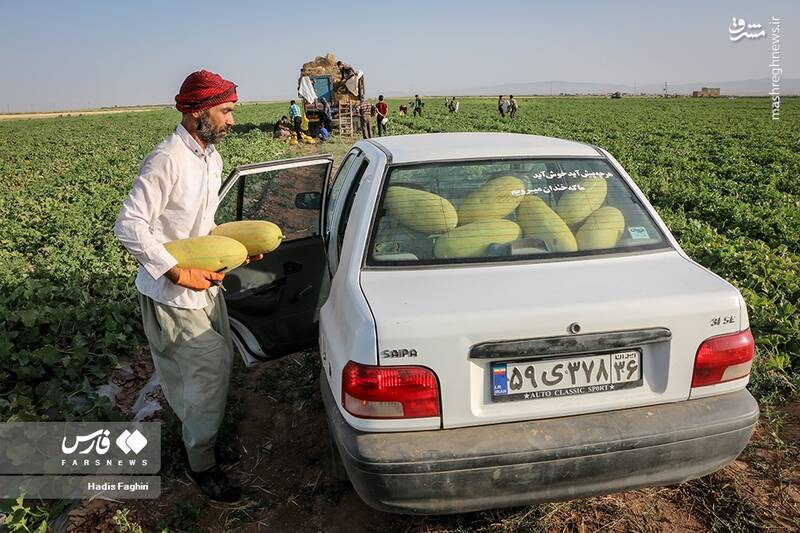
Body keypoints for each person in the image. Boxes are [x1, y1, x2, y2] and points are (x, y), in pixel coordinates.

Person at [114, 70, 261, 503]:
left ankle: (204, 441)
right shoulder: (167, 159)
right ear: (199, 112)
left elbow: (202, 229)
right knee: (205, 376)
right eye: (226, 111)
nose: (232, 120)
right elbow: (129, 225)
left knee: (215, 368)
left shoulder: (210, 159)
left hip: (206, 286)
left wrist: (238, 249)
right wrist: (177, 272)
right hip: (173, 295)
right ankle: (201, 464)